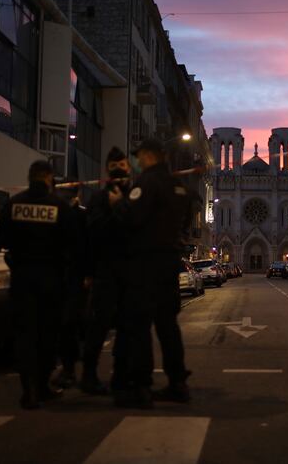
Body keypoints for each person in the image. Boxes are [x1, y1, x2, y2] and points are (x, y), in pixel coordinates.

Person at [109, 138, 191, 408]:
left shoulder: (147, 182)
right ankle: (178, 382)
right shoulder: (178, 185)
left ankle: (142, 386)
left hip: (146, 263)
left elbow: (132, 217)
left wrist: (119, 202)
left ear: (147, 156)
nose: (138, 161)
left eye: (139, 157)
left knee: (140, 324)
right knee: (168, 324)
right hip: (170, 262)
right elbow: (187, 219)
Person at [0, 160, 75, 410]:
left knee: (25, 334)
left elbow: (3, 240)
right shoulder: (59, 206)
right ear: (49, 177)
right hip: (50, 279)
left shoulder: (13, 204)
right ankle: (42, 386)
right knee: (47, 334)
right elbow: (70, 244)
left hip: (22, 278)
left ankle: (27, 390)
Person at [79, 147, 132, 395]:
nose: (119, 169)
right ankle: (89, 375)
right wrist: (89, 273)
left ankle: (121, 375)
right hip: (106, 272)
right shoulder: (99, 200)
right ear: (107, 169)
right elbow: (93, 235)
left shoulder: (134, 196)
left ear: (128, 167)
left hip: (128, 273)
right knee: (99, 326)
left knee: (126, 328)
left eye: (121, 164)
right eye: (114, 165)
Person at [55, 184, 90, 389]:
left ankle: (70, 368)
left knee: (69, 323)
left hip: (69, 277)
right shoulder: (76, 215)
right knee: (69, 323)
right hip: (70, 276)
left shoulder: (67, 214)